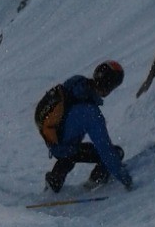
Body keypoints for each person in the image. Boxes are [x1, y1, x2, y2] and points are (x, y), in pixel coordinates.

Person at [40, 61, 133, 193]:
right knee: (116, 153)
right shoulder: (92, 114)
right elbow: (105, 149)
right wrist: (125, 179)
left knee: (70, 153)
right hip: (66, 147)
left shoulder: (77, 82)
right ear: (109, 87)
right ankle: (94, 182)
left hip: (53, 140)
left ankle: (54, 181)